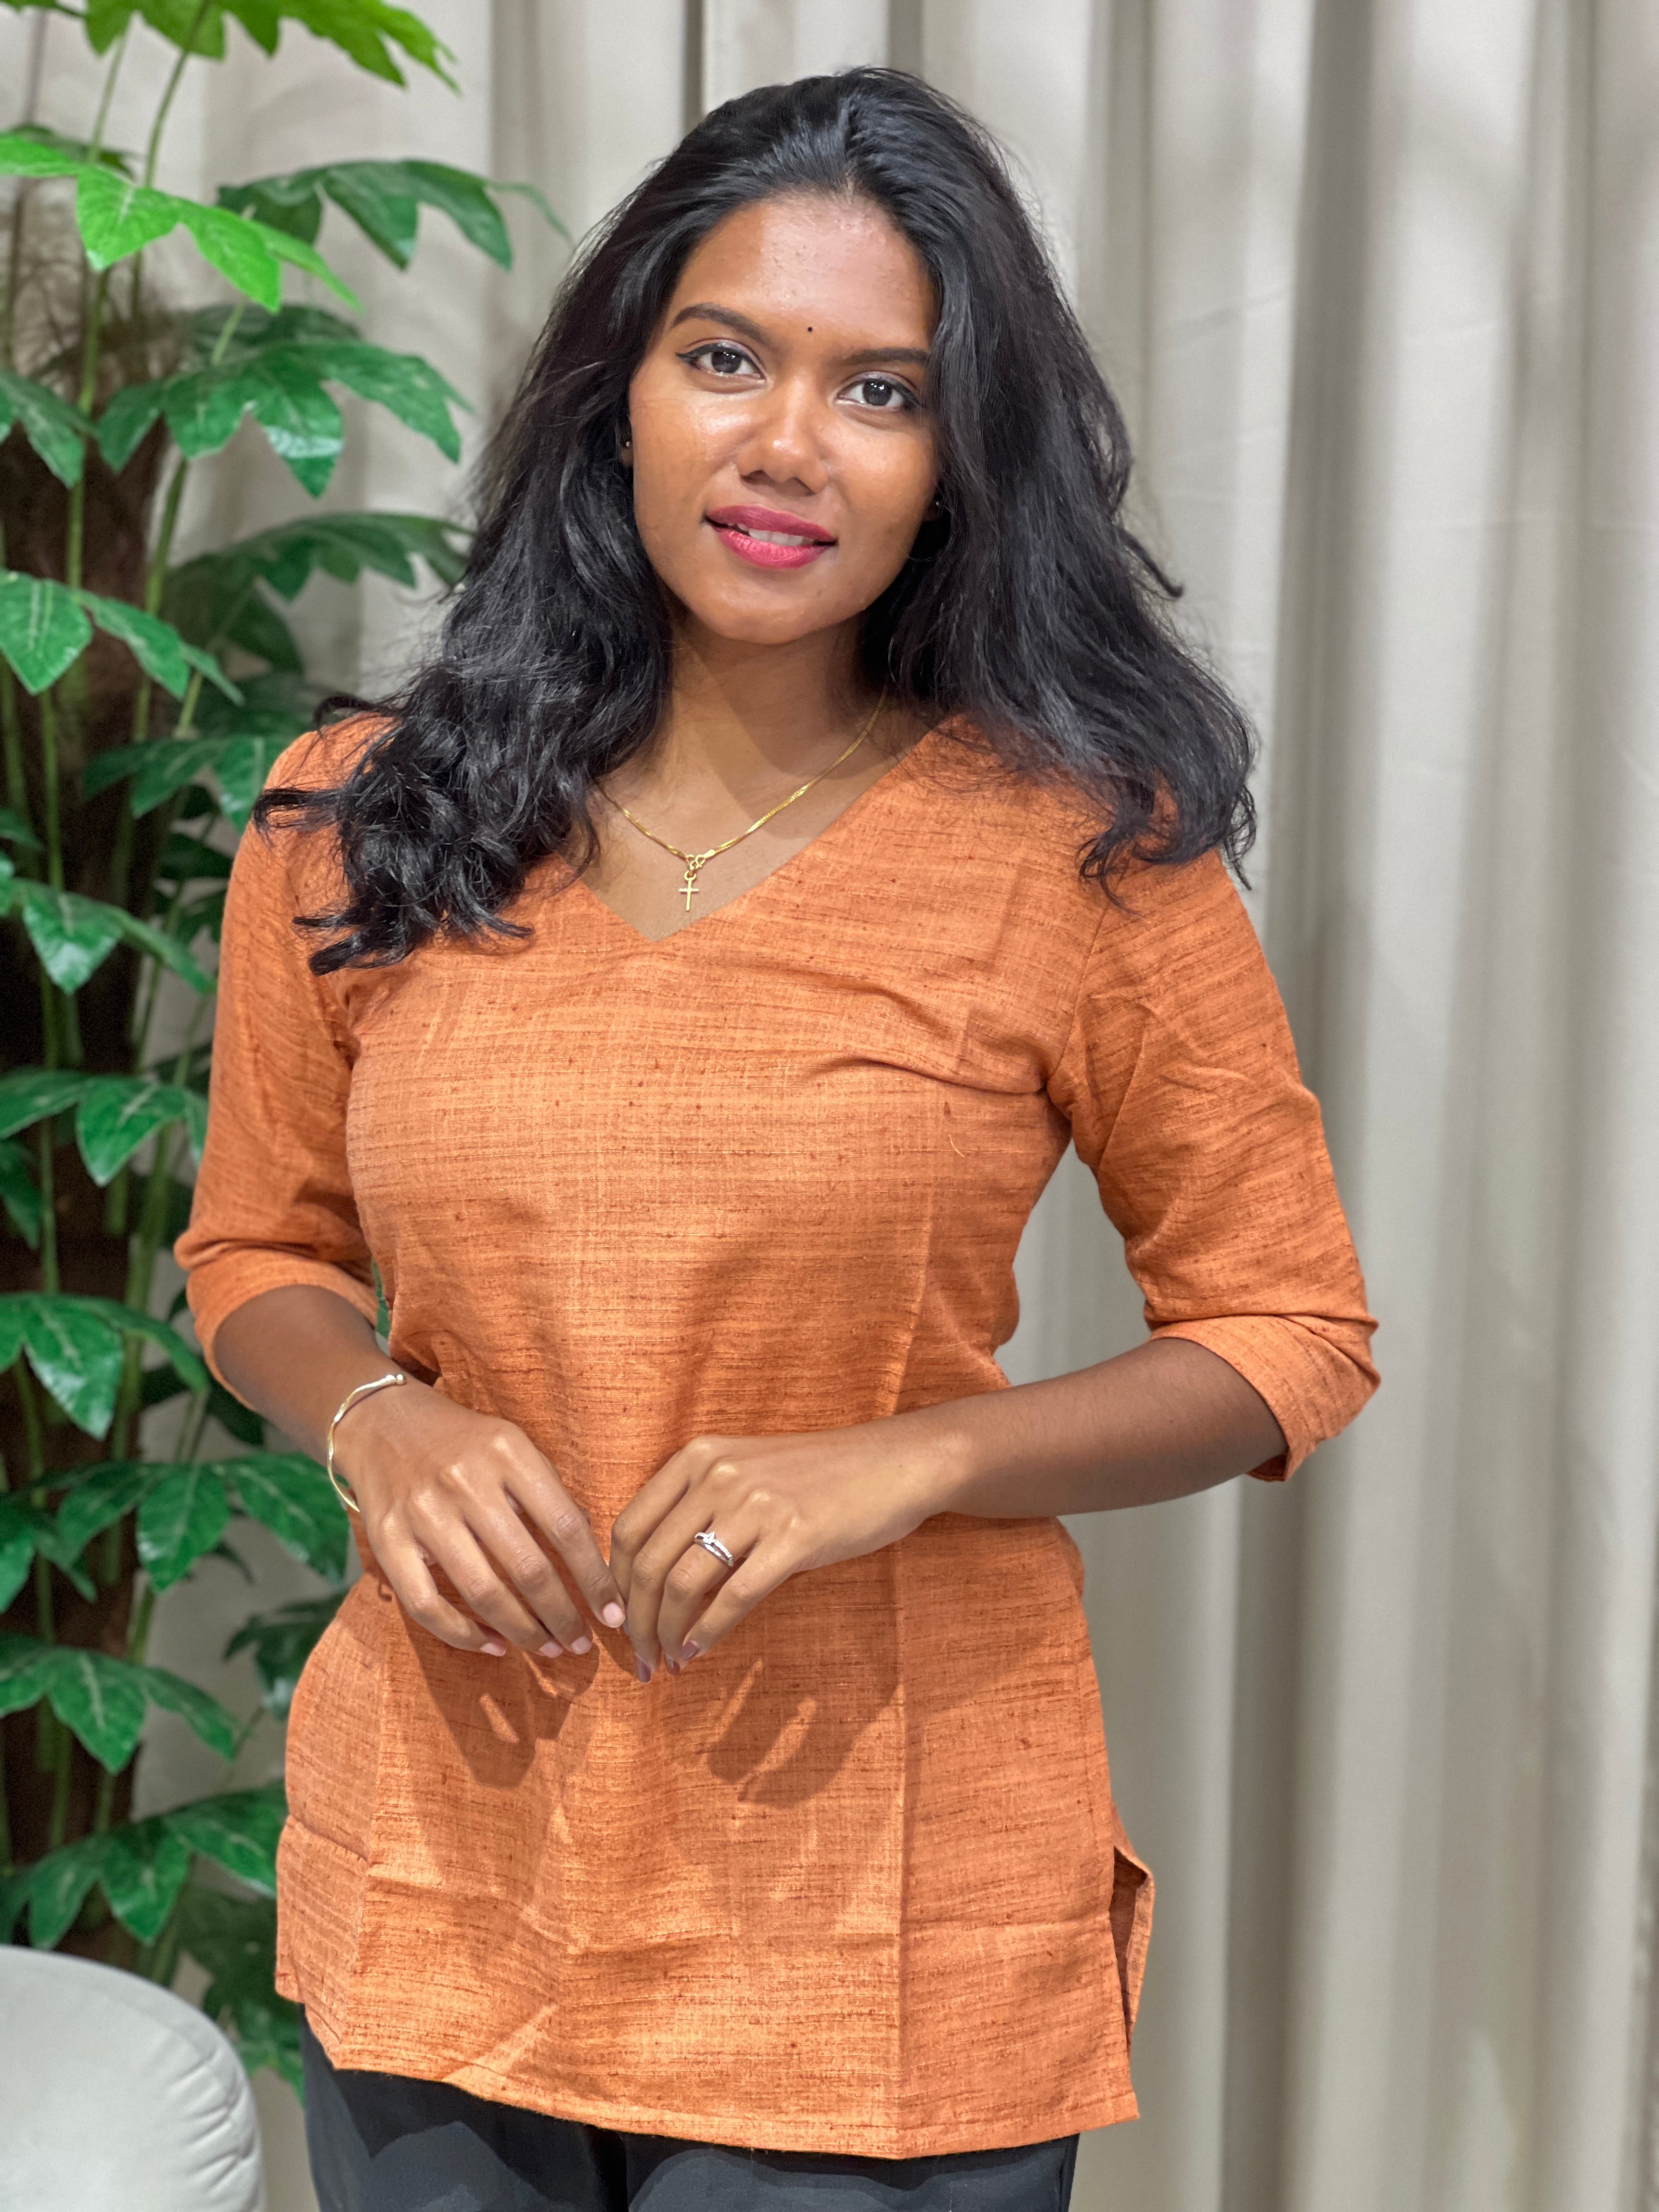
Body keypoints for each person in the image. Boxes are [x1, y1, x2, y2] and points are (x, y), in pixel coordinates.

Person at [177, 66, 1376, 2212]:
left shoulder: (1080, 852)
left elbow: (1288, 1330)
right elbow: (251, 1252)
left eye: (880, 390)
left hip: (881, 1912)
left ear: (958, 458)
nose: (786, 443)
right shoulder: (357, 815)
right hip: (448, 1873)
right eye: (725, 358)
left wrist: (904, 1461)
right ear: (618, 393)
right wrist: (374, 1415)